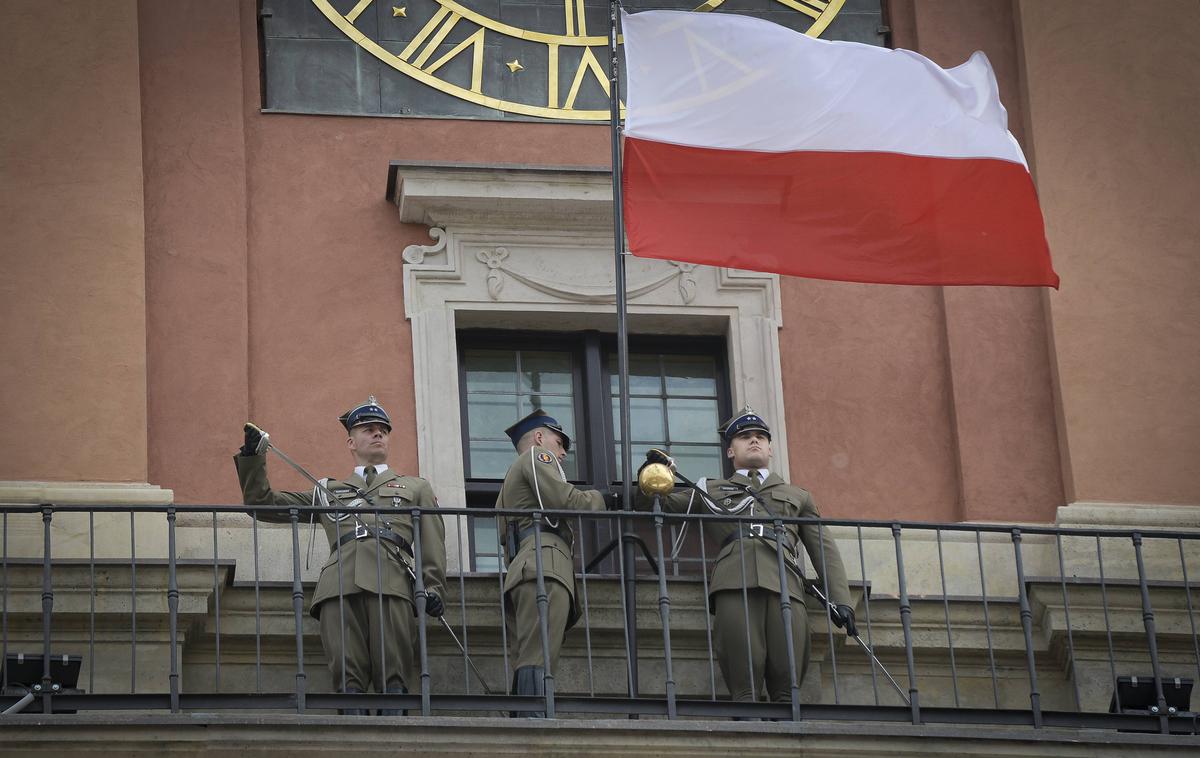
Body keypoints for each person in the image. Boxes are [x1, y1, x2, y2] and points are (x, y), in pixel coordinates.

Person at [234, 396, 446, 716]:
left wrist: (433, 587)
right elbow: (263, 504)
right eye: (369, 429)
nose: (378, 434)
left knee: (395, 678)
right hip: (339, 584)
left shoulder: (415, 487)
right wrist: (252, 457)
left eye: (383, 430)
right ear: (351, 441)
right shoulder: (327, 490)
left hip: (392, 581)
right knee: (348, 679)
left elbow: (432, 542)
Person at [637, 407, 856, 703]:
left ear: (770, 448)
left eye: (760, 437)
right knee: (742, 671)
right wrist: (650, 473)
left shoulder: (798, 495)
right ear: (730, 450)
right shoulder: (709, 489)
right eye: (744, 437)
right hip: (733, 580)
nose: (753, 440)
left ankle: (789, 730)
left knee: (787, 672)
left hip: (785, 583)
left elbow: (823, 549)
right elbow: (657, 503)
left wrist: (841, 601)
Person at [496, 409, 606, 716]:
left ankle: (524, 716)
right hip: (545, 562)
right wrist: (603, 500)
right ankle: (533, 719)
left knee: (529, 653)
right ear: (540, 438)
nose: (562, 453)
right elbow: (564, 501)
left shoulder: (510, 479)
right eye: (559, 444)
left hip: (526, 565)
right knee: (538, 653)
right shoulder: (536, 458)